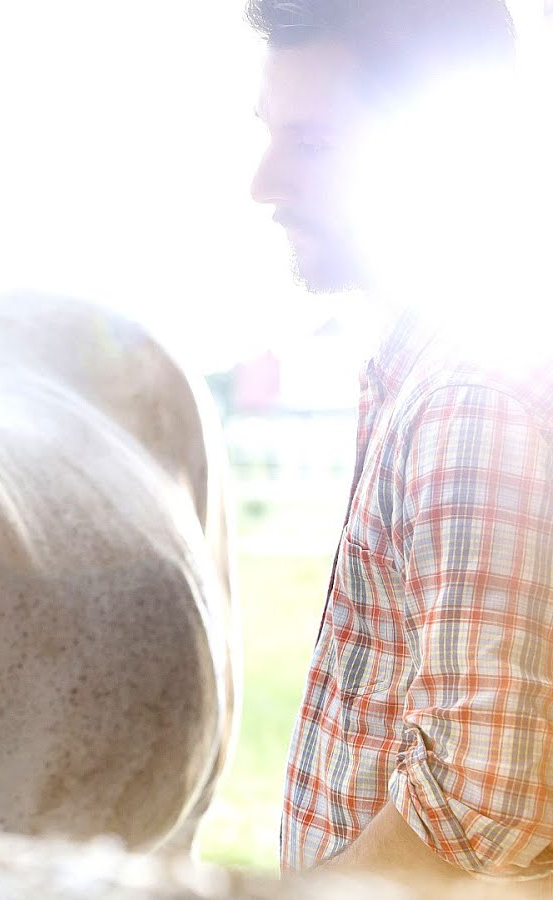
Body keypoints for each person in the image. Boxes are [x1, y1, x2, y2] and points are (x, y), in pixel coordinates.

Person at [248, 0, 553, 884]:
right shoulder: (426, 368)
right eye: (269, 133)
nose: (262, 182)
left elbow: (474, 811)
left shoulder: (469, 394)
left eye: (310, 145)